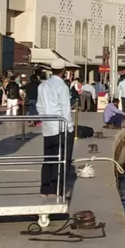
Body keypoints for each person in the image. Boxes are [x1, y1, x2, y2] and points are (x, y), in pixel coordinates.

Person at [37, 65, 76, 196]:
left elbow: (39, 106)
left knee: (49, 158)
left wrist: (45, 120)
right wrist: (70, 127)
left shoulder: (42, 85)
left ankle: (45, 189)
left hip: (48, 127)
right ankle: (57, 189)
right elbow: (65, 108)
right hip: (61, 127)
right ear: (63, 71)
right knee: (63, 159)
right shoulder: (62, 86)